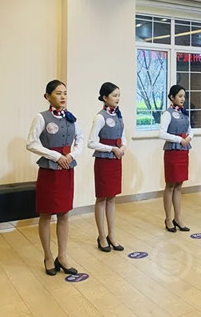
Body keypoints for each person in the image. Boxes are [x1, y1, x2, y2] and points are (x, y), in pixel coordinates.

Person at [26, 80, 82, 275]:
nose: (63, 96)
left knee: (64, 213)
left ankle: (62, 256)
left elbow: (80, 140)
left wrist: (71, 156)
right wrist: (56, 156)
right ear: (47, 96)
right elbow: (31, 143)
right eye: (58, 93)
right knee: (46, 214)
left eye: (65, 93)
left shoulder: (71, 117)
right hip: (49, 171)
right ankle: (48, 256)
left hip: (67, 169)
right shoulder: (41, 117)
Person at [88, 82, 126, 252]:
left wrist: (123, 147)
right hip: (104, 160)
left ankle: (112, 235)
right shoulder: (100, 117)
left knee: (112, 197)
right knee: (102, 198)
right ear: (105, 97)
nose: (118, 98)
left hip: (116, 159)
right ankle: (102, 236)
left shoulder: (118, 115)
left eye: (119, 95)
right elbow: (91, 142)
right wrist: (111, 149)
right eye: (114, 95)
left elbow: (123, 136)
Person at [159, 85, 193, 232]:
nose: (182, 99)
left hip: (184, 150)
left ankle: (178, 218)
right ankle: (168, 218)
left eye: (184, 96)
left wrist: (189, 138)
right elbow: (162, 133)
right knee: (170, 185)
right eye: (180, 96)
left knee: (179, 185)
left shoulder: (185, 113)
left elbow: (190, 130)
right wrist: (179, 139)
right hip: (172, 151)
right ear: (172, 97)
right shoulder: (167, 114)